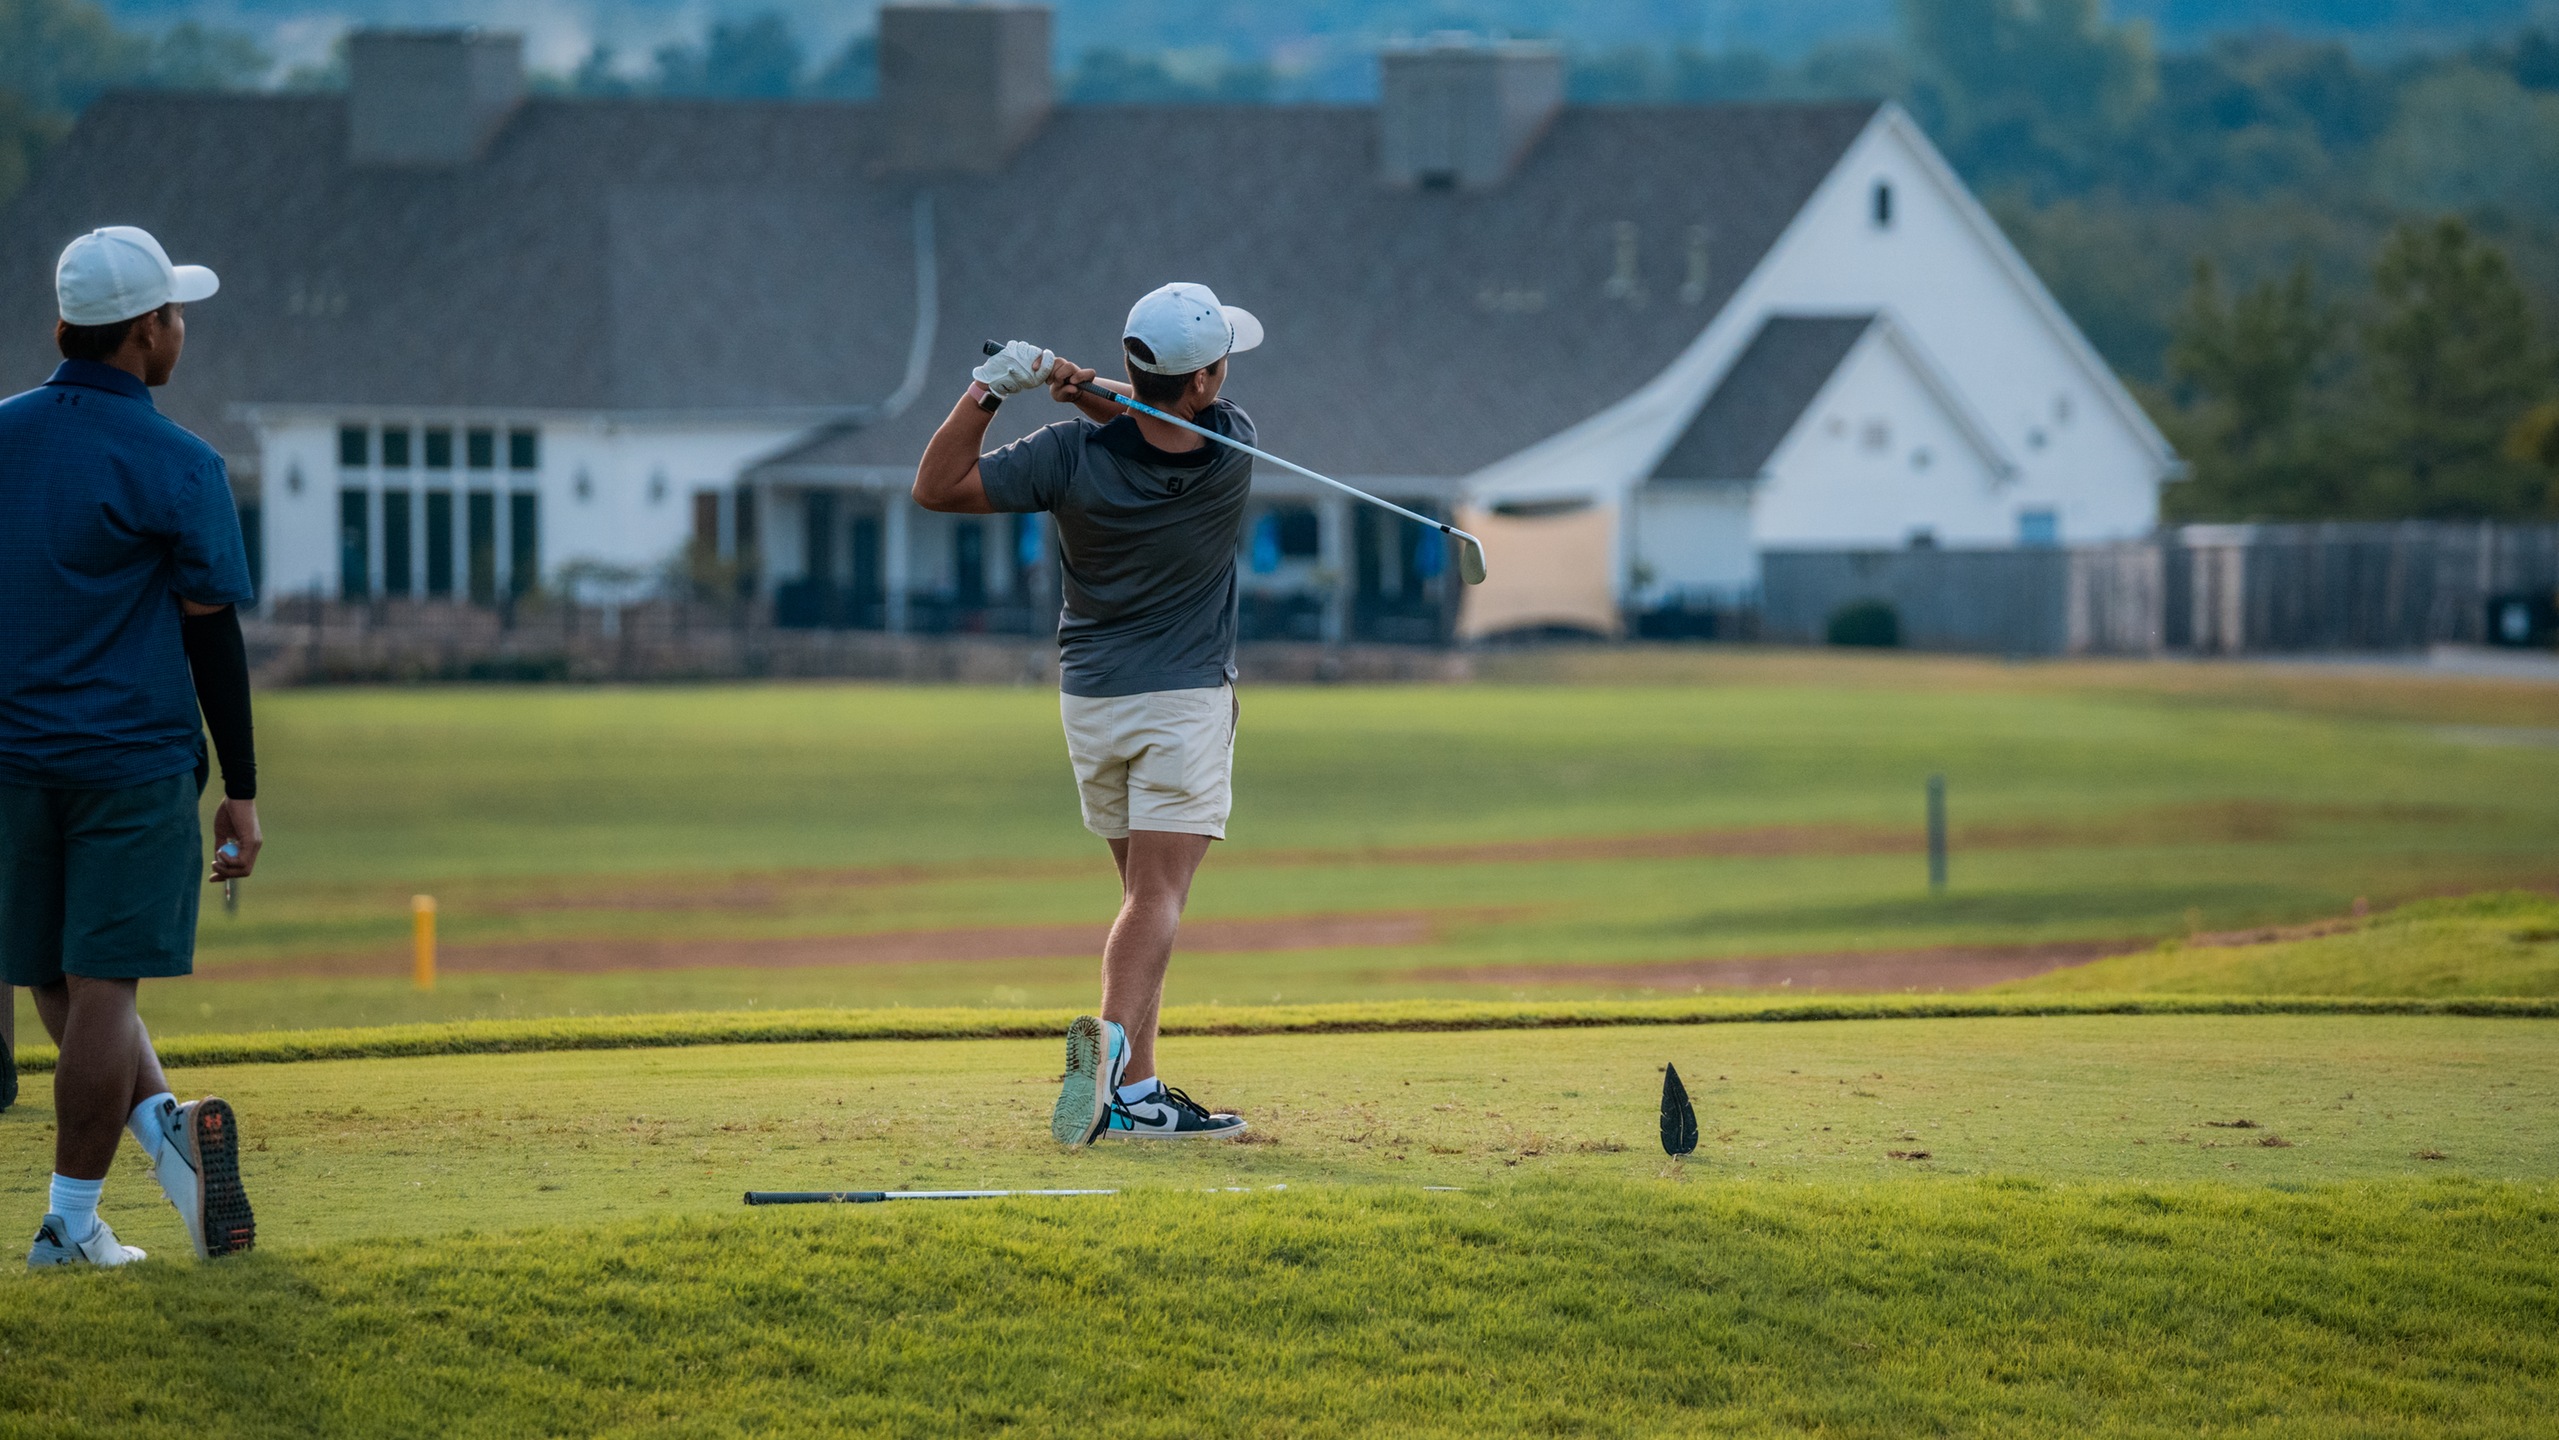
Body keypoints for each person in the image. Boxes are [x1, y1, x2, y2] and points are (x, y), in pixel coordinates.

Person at [914, 283, 1265, 1145]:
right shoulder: (1234, 453)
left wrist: (992, 388)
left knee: (1142, 903)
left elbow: (937, 486)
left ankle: (1139, 1093)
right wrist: (1093, 395)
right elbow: (1166, 425)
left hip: (1092, 700)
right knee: (1158, 899)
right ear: (1205, 383)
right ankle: (1105, 1062)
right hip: (1182, 701)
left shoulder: (1068, 456)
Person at [1, 226, 262, 1266]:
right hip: (132, 765)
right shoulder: (183, 466)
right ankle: (68, 1223)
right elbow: (213, 634)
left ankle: (163, 1134)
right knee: (106, 985)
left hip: (12, 762)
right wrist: (241, 790)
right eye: (175, 315)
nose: (181, 330)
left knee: (57, 978)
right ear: (144, 332)